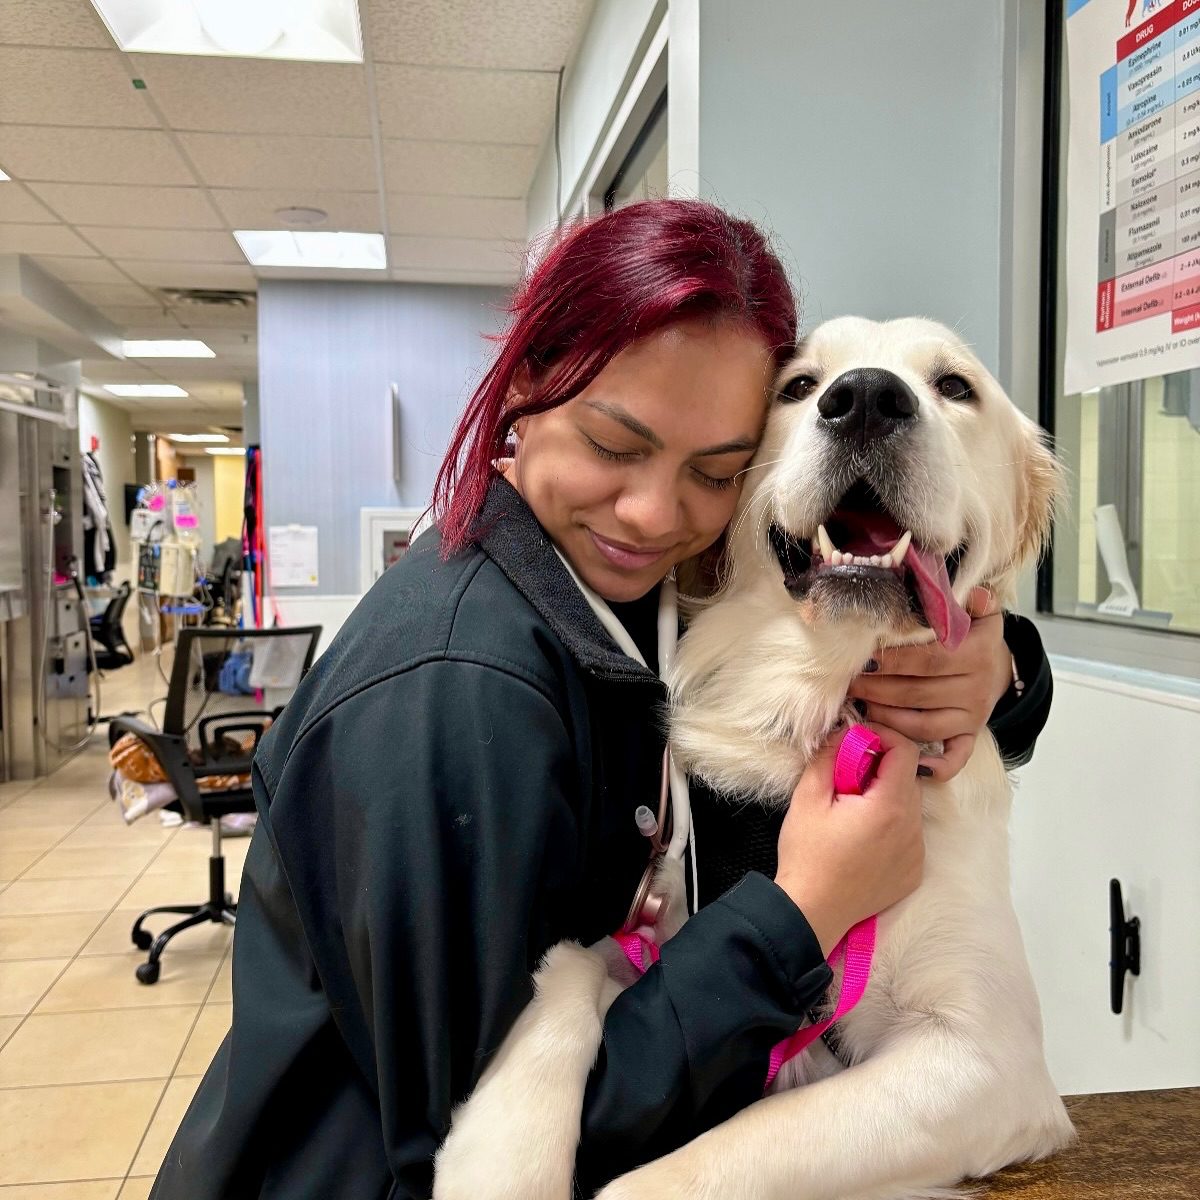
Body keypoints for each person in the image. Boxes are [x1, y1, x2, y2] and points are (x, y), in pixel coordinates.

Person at [150, 199, 1053, 1200]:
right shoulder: (462, 690)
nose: (655, 513)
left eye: (714, 470)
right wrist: (805, 909)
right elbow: (471, 1147)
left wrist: (1004, 671)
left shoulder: (632, 591)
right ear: (525, 391)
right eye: (614, 445)